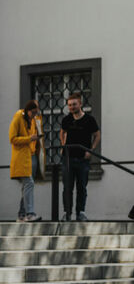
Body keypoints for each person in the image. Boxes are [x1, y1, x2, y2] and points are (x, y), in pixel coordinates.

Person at [59, 92, 100, 221]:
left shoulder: (89, 120)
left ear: (80, 104)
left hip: (83, 158)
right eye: (70, 105)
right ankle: (67, 213)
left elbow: (97, 135)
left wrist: (91, 150)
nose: (72, 107)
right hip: (68, 158)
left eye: (74, 104)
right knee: (67, 187)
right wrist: (63, 145)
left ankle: (80, 212)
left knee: (82, 186)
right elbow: (62, 132)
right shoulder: (66, 119)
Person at [9, 100, 43, 222]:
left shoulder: (34, 119)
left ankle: (22, 214)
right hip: (22, 157)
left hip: (32, 155)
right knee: (29, 183)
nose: (35, 115)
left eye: (36, 112)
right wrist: (29, 139)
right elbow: (12, 138)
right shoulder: (18, 117)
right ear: (28, 110)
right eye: (33, 112)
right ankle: (30, 213)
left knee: (27, 186)